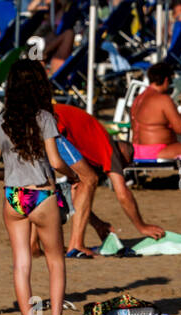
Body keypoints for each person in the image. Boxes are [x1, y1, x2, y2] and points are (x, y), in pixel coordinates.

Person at [0, 58, 80, 315]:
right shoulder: (44, 118)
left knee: (21, 263)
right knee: (55, 260)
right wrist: (72, 175)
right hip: (41, 194)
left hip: (14, 196)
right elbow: (55, 160)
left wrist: (12, 175)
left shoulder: (2, 121)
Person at [52, 101, 165, 256]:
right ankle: (76, 245)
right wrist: (142, 226)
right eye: (123, 166)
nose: (120, 169)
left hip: (43, 119)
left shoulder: (93, 148)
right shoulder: (111, 149)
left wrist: (98, 224)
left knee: (39, 181)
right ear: (123, 154)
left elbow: (76, 194)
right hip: (53, 123)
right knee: (90, 179)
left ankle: (35, 248)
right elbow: (123, 194)